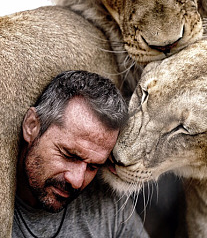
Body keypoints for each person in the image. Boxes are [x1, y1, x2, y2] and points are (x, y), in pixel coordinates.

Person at [13, 70, 149, 237]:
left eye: (92, 167)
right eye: (69, 155)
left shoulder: (107, 206)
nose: (77, 181)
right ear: (32, 126)